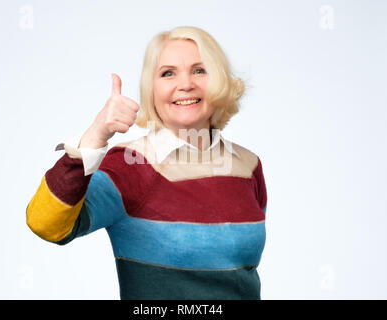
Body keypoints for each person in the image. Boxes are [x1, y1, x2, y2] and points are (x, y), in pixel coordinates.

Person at [26, 26, 268, 300]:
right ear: (151, 89)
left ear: (219, 81)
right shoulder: (131, 166)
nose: (185, 84)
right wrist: (95, 135)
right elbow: (46, 224)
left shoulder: (248, 166)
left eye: (200, 70)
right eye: (168, 73)